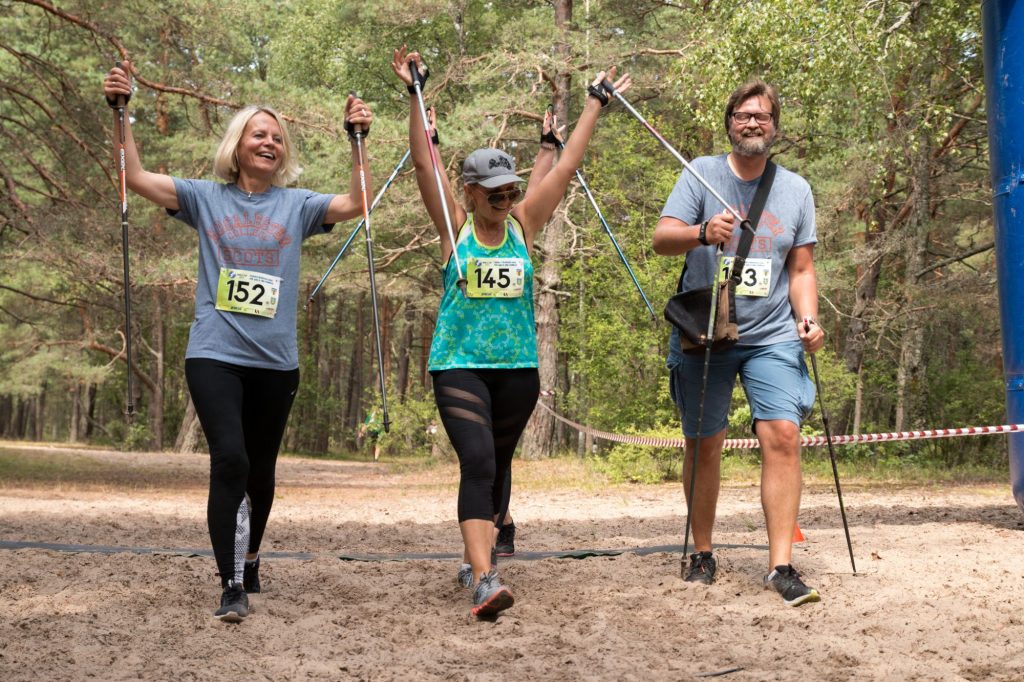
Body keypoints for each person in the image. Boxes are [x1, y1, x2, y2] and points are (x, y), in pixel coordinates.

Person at [103, 62, 373, 622]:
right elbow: (136, 177)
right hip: (215, 354)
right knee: (231, 459)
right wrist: (121, 113)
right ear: (238, 145)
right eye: (259, 134)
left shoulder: (297, 206)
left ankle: (250, 559)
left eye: (277, 137)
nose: (269, 142)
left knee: (261, 470)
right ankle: (230, 581)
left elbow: (357, 203)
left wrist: (358, 141)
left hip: (276, 361)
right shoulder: (204, 198)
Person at [391, 46, 629, 618]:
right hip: (459, 364)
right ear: (469, 192)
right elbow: (423, 165)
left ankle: (476, 555)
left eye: (510, 190)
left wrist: (594, 104)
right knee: (477, 461)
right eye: (493, 192)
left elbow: (565, 168)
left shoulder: (524, 225)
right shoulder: (454, 229)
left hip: (518, 369)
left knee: (497, 465)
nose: (504, 199)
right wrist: (415, 97)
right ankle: (484, 578)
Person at [652, 79, 824, 607]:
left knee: (783, 436)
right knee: (704, 443)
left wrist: (809, 319)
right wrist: (703, 232)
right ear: (729, 122)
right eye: (743, 115)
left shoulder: (795, 189)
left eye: (762, 116)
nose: (752, 123)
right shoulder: (700, 173)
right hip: (706, 332)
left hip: (771, 333)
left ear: (775, 126)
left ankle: (781, 566)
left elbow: (801, 269)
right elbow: (662, 238)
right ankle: (703, 553)